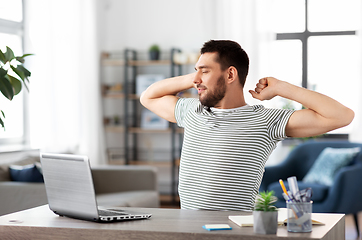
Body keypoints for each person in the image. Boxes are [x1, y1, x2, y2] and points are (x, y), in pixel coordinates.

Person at [140, 40, 354, 211]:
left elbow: (342, 116)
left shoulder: (266, 121)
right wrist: (198, 77)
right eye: (197, 71)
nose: (196, 79)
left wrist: (281, 87)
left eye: (205, 70)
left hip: (237, 229)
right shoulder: (192, 111)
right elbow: (148, 97)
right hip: (188, 225)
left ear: (230, 74)